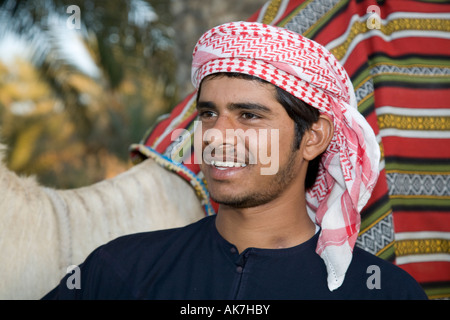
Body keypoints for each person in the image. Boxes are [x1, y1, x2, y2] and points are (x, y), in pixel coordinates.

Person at [42, 22, 427, 300]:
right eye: (209, 114)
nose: (216, 135)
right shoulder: (120, 269)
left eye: (249, 115)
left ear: (313, 137)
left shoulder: (384, 291)